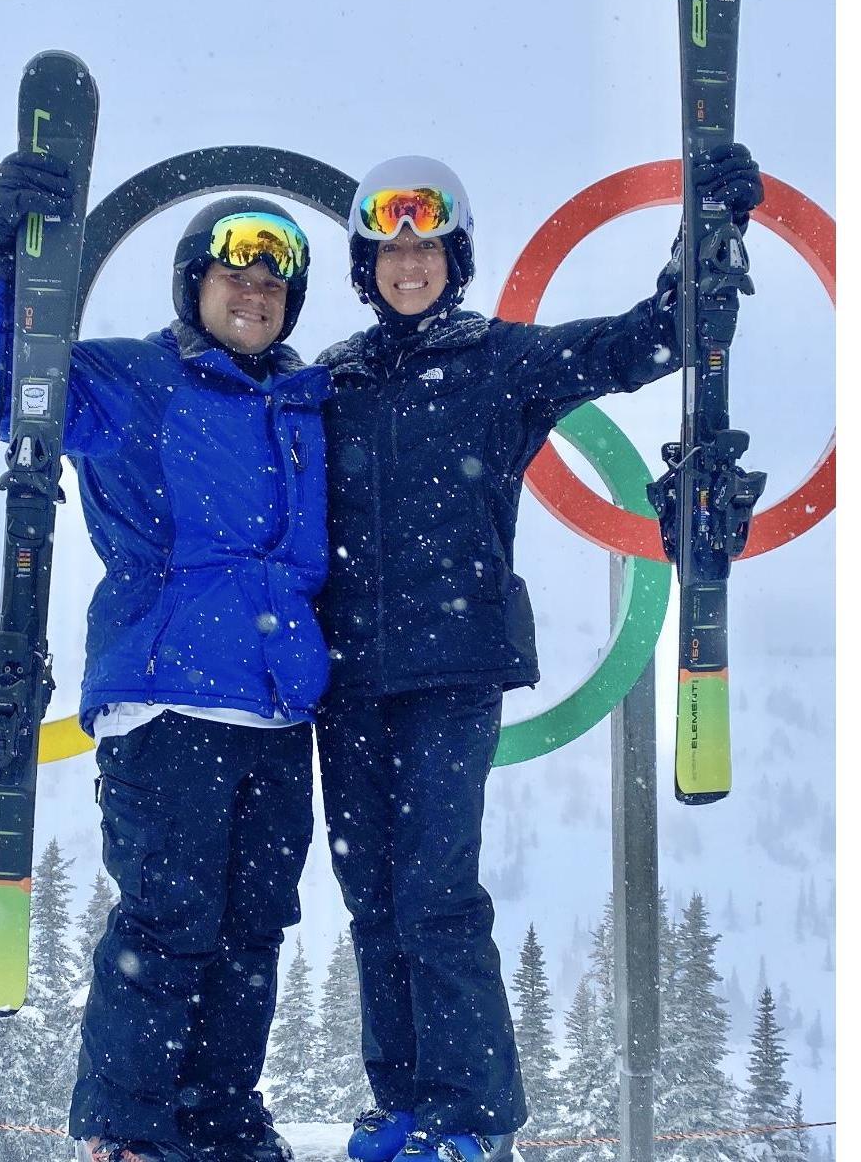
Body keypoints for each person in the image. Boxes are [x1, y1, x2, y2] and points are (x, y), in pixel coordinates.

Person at [314, 147, 763, 1162]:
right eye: (388, 250)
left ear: (455, 255)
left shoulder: (498, 360)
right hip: (341, 677)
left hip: (450, 668)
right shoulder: (330, 381)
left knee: (432, 890)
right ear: (365, 266)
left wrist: (705, 245)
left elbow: (645, 344)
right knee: (371, 900)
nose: (408, 264)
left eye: (426, 245)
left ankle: (471, 1117)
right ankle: (401, 1105)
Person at [0, 153, 335, 1162]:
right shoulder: (136, 380)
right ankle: (131, 1131)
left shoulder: (306, 408)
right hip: (168, 699)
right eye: (233, 273)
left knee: (252, 932)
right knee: (169, 917)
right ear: (192, 284)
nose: (254, 292)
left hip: (280, 711)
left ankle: (219, 1119)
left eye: (272, 281)